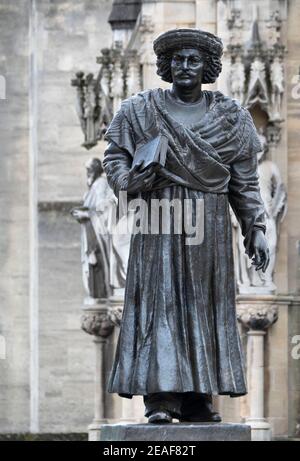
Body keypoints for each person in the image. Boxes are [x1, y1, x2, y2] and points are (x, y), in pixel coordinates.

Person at [102, 28, 269, 424]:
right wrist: (130, 182)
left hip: (207, 227)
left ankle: (197, 397)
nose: (185, 67)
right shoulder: (139, 110)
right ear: (166, 65)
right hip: (157, 220)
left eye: (193, 60)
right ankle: (161, 399)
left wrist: (255, 227)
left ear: (207, 67)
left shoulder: (232, 118)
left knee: (204, 306)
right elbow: (114, 159)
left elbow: (245, 182)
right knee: (161, 305)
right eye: (177, 60)